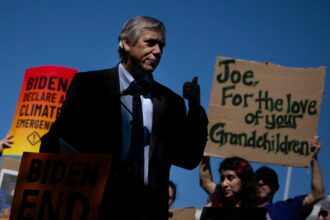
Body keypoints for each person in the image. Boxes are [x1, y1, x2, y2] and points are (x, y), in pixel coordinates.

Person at [39, 16, 208, 220]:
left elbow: (187, 158)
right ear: (126, 43)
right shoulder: (89, 85)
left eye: (161, 46)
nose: (157, 51)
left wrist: (196, 110)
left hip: (147, 213)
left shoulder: (171, 102)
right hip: (95, 208)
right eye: (150, 43)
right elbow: (58, 141)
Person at [199, 136, 324, 220]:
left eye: (267, 179)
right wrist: (205, 150)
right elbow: (206, 182)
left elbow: (317, 194)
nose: (260, 182)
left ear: (276, 187)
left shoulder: (284, 209)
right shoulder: (230, 200)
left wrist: (313, 158)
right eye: (257, 178)